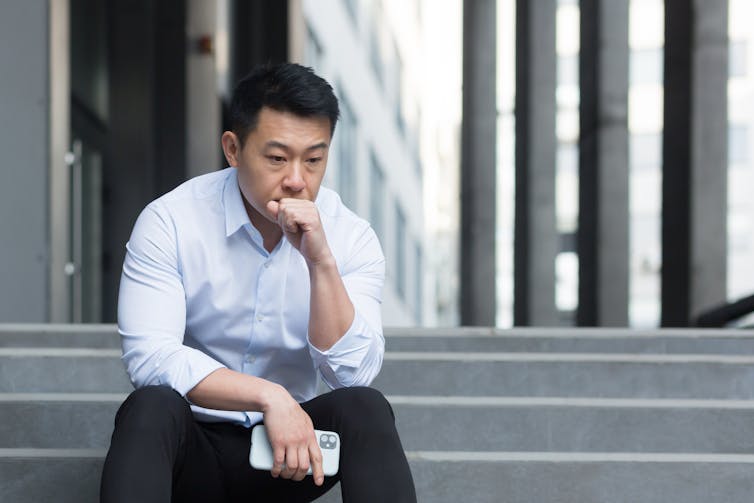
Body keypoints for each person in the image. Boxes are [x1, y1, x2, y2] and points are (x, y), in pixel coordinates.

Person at [100, 62, 417, 503]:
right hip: (191, 451)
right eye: (277, 158)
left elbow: (355, 373)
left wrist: (320, 260)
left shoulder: (350, 236)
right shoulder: (171, 221)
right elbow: (150, 358)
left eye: (313, 160)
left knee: (365, 408)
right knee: (150, 406)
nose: (296, 180)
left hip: (290, 458)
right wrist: (268, 397)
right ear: (233, 149)